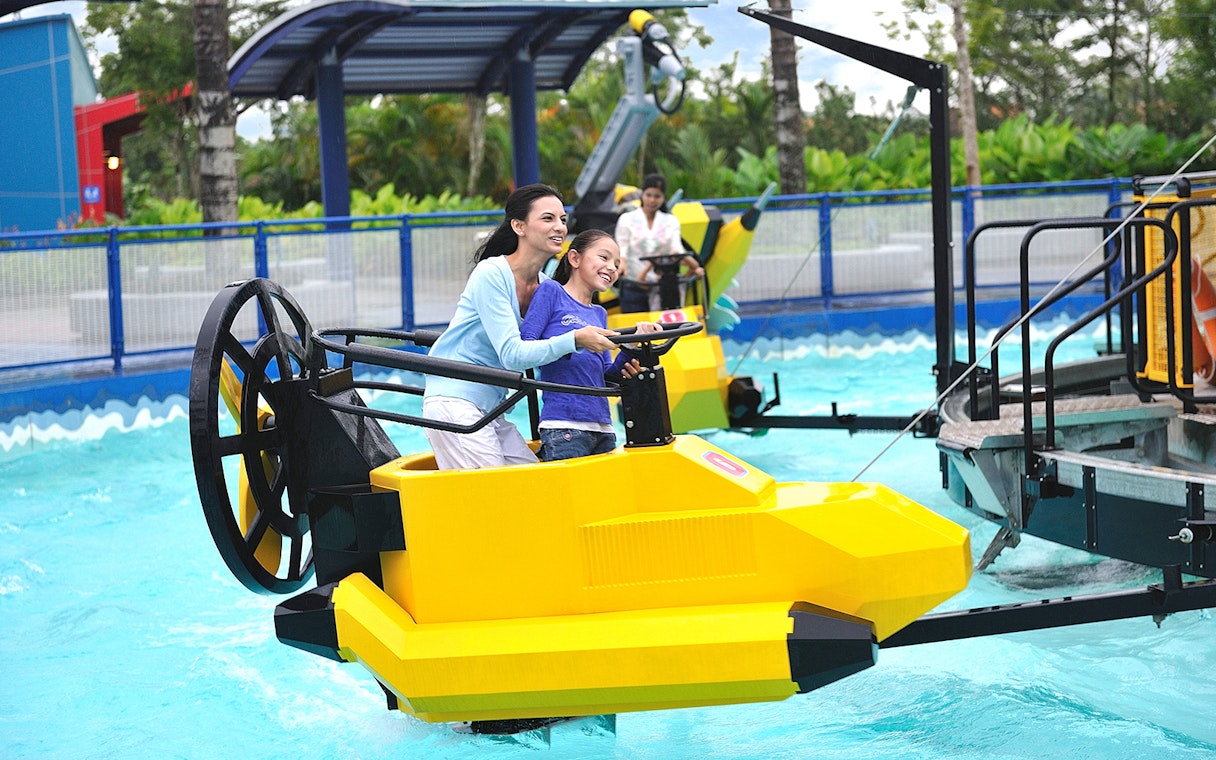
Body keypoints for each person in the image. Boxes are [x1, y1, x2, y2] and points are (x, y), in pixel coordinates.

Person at [422, 184, 619, 470]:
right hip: (455, 401)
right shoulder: (491, 274)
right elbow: (513, 355)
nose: (560, 227)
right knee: (499, 497)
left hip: (493, 409)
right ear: (519, 225)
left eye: (563, 220)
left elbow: (553, 354)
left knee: (534, 486)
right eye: (548, 218)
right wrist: (575, 339)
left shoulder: (546, 287)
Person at [520, 229, 660, 460]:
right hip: (564, 426)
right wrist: (574, 340)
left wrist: (633, 345)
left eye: (616, 264)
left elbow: (607, 374)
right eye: (604, 258)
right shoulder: (552, 291)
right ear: (574, 258)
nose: (612, 268)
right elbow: (527, 345)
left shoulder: (599, 313)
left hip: (603, 428)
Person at [614, 173, 704, 312]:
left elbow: (676, 249)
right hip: (634, 285)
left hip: (661, 287)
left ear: (663, 198)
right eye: (648, 195)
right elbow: (622, 250)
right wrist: (621, 266)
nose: (652, 200)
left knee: (663, 329)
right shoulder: (626, 219)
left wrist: (691, 264)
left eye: (657, 196)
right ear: (642, 195)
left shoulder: (670, 221)